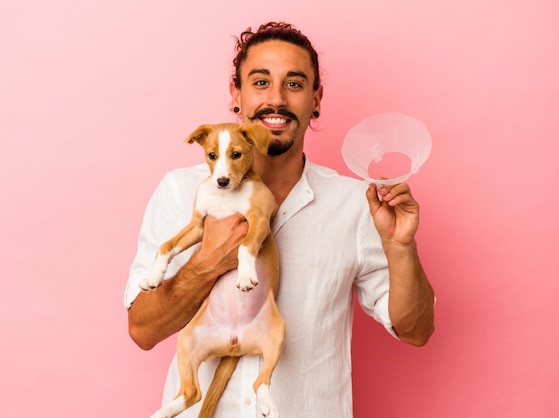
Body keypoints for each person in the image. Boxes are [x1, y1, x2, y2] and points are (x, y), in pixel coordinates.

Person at [125, 21, 435, 418]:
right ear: (235, 95)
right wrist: (209, 260)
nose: (276, 100)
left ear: (316, 98)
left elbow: (416, 329)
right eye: (259, 82)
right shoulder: (181, 190)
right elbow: (142, 330)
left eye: (293, 84)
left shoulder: (355, 203)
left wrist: (401, 247)